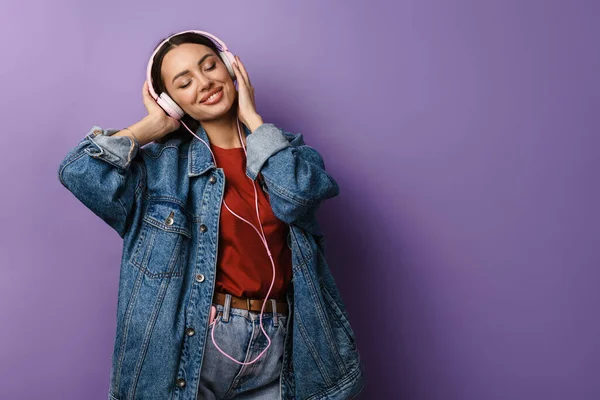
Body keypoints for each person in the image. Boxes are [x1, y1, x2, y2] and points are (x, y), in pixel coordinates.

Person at [58, 30, 364, 400]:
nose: (204, 83)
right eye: (184, 82)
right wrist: (153, 126)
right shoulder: (160, 170)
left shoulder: (287, 152)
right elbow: (79, 172)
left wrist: (253, 120)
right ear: (171, 101)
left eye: (209, 66)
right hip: (195, 343)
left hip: (281, 346)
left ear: (232, 67)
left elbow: (297, 198)